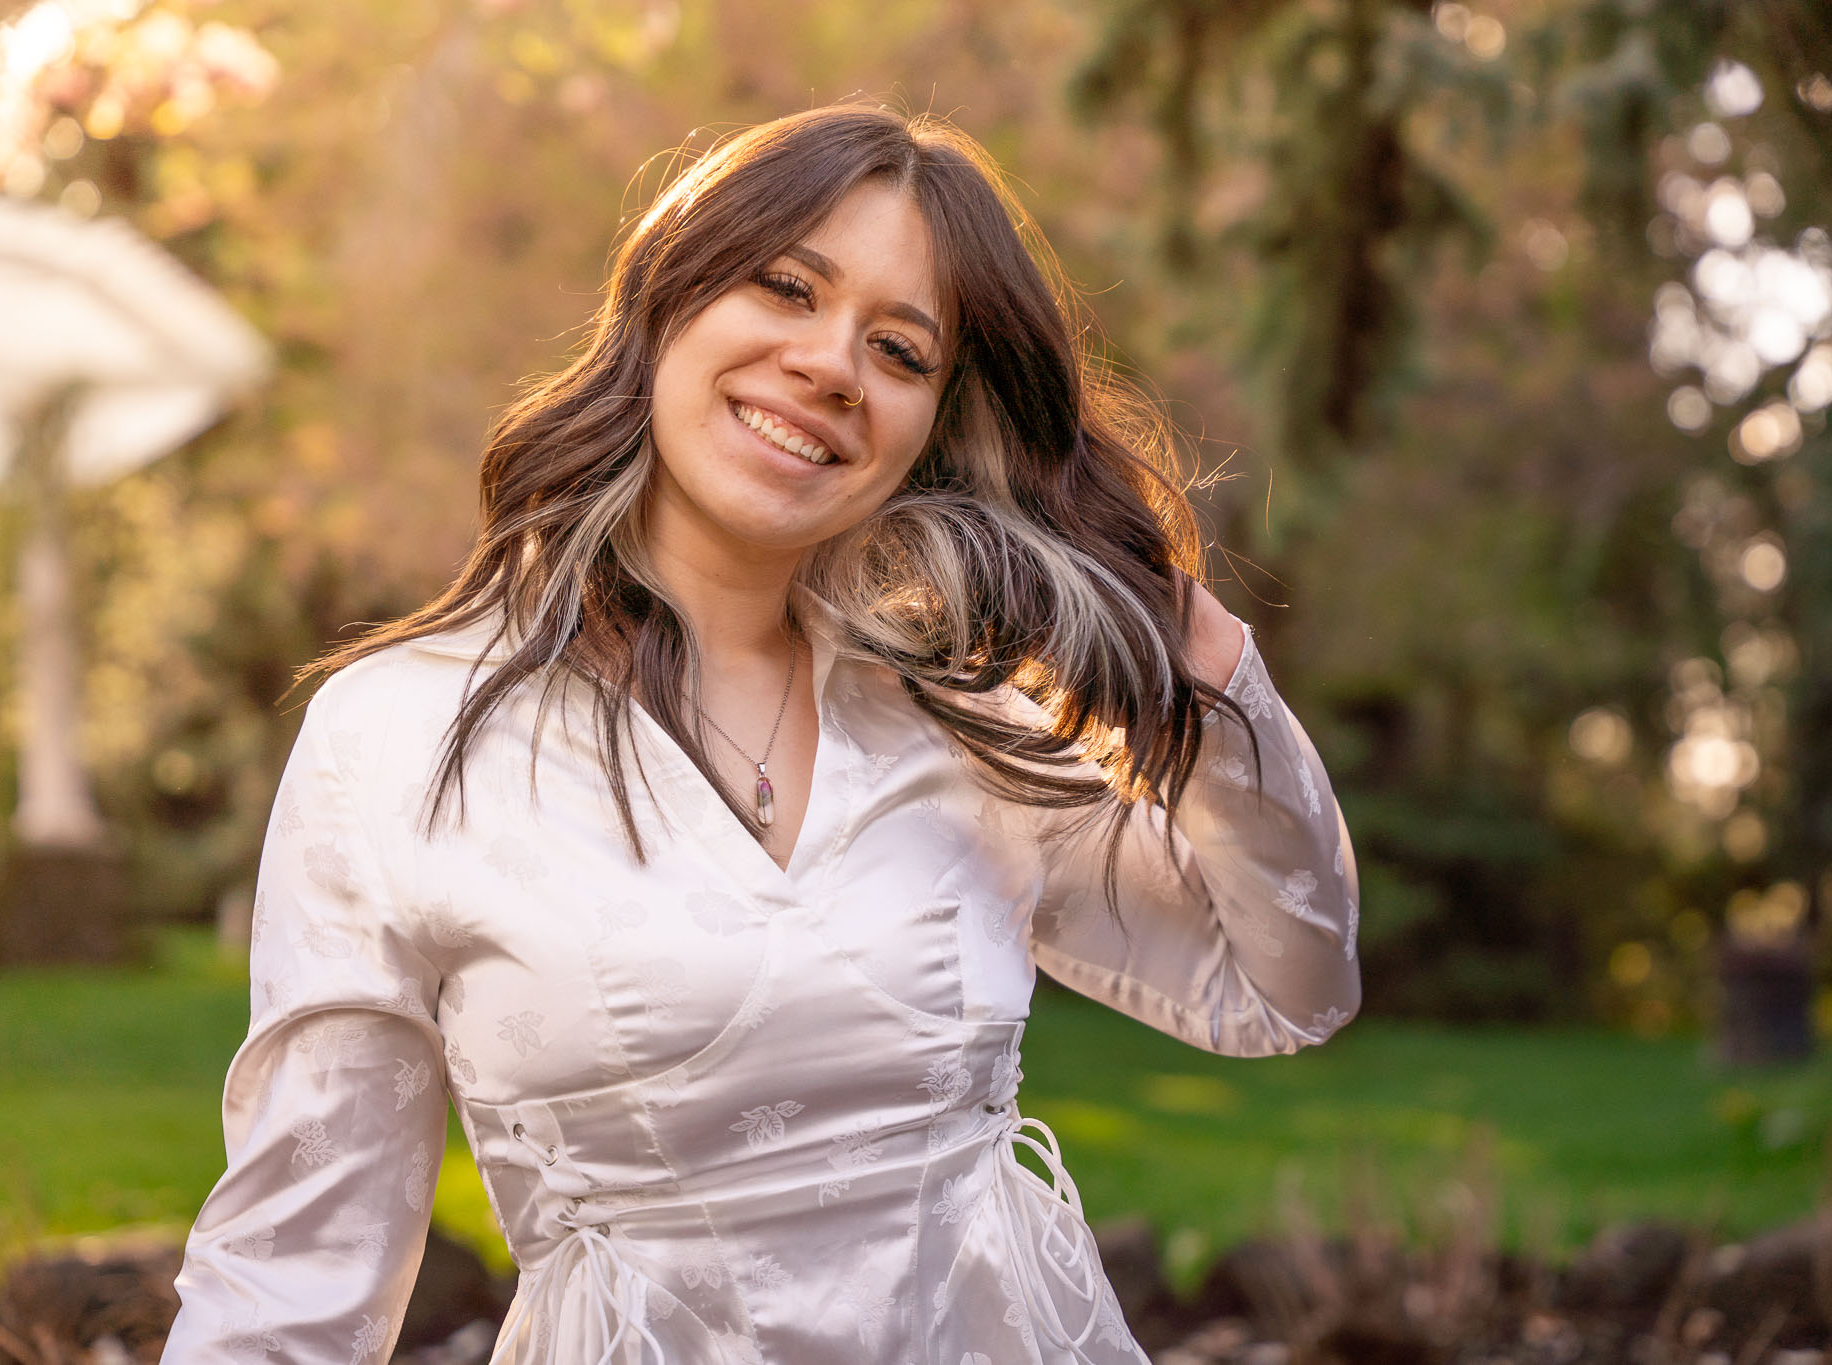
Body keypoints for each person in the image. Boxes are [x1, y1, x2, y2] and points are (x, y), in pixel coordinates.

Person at [160, 103, 1360, 1365]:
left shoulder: (965, 720)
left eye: (899, 353)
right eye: (786, 287)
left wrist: (1204, 675)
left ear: (932, 429)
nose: (832, 366)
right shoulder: (403, 734)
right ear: (666, 300)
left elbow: (1282, 986)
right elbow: (296, 1272)